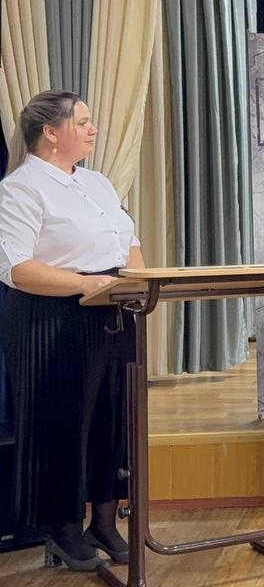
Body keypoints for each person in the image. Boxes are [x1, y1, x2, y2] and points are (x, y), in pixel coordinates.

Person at [0, 91, 141, 571]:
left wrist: (138, 284)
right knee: (63, 424)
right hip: (51, 318)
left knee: (113, 419)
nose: (92, 129)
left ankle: (103, 521)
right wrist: (84, 283)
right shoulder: (21, 188)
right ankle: (61, 530)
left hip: (112, 310)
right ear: (50, 133)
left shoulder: (97, 182)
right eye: (82, 122)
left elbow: (129, 242)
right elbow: (18, 267)